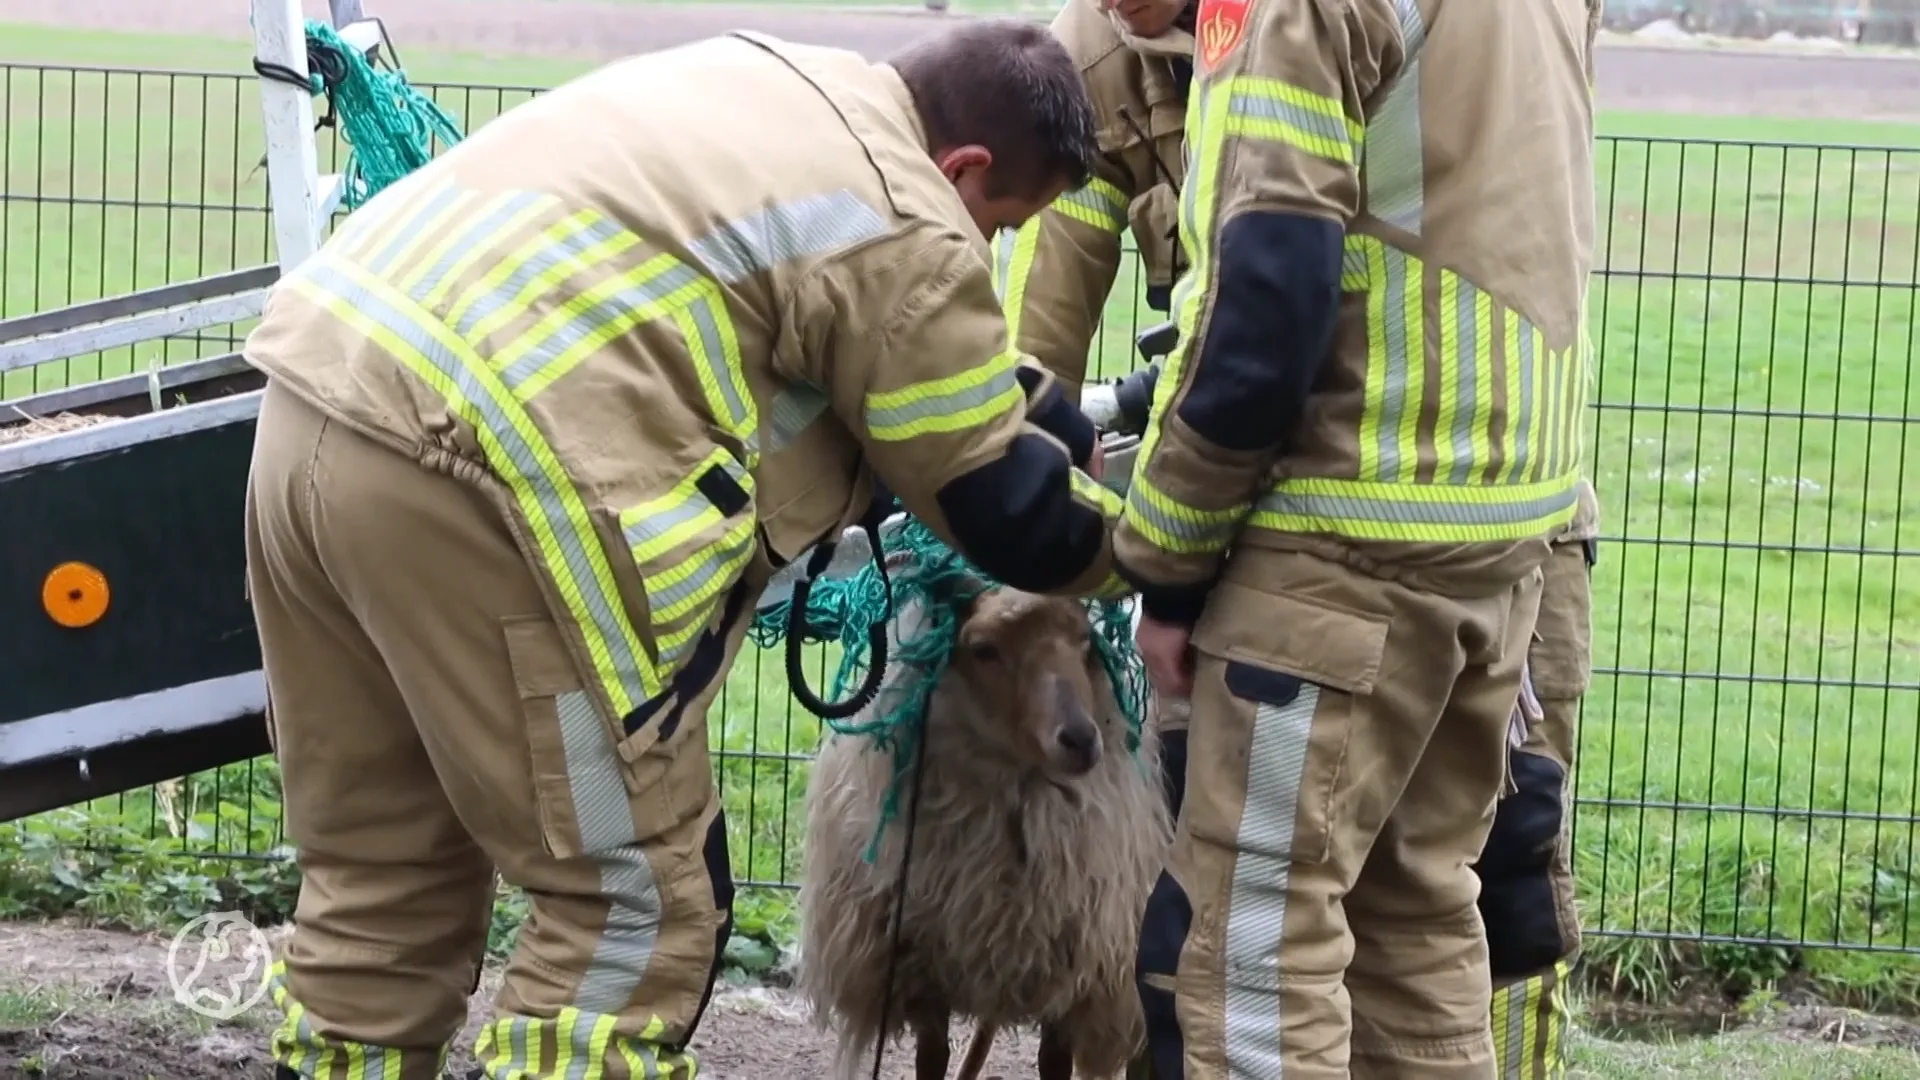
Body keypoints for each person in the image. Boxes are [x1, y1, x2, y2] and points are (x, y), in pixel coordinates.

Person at [241, 20, 1131, 1080]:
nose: (977, 254)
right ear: (965, 167)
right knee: (634, 905)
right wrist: (1164, 541)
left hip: (311, 415)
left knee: (381, 869)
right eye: (995, 223)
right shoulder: (902, 214)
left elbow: (931, 363)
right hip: (483, 489)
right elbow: (996, 502)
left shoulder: (771, 85)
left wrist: (1065, 422)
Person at [1111, 0, 1603, 1072]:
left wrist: (1168, 567)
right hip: (1504, 532)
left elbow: (1265, 299)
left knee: (1259, 955)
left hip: (1337, 557)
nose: (1108, 12)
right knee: (1419, 920)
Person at [990, 0, 1195, 400]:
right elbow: (1037, 336)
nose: (1106, 3)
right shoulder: (1078, 60)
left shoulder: (1319, 24)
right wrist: (1037, 431)